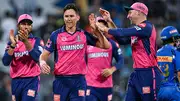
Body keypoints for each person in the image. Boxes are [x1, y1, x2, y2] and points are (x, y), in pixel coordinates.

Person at [39, 3, 110, 101]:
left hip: (78, 81)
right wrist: (42, 63)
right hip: (60, 81)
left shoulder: (84, 35)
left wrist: (97, 30)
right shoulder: (55, 35)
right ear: (63, 18)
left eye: (71, 16)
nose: (68, 19)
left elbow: (106, 46)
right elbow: (43, 55)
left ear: (77, 17)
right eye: (66, 16)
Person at [96, 2, 162, 101]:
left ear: (139, 12)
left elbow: (123, 32)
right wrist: (109, 21)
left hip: (148, 73)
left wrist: (105, 28)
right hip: (136, 73)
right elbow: (121, 39)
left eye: (130, 13)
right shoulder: (137, 32)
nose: (128, 16)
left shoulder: (147, 27)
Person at [2, 14, 44, 101]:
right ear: (18, 26)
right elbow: (5, 62)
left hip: (31, 80)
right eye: (23, 24)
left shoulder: (37, 40)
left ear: (31, 26)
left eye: (28, 24)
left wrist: (26, 42)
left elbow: (37, 58)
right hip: (16, 81)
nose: (26, 26)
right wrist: (13, 45)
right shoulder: (12, 42)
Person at [85, 16, 124, 101]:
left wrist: (111, 70)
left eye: (103, 26)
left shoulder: (112, 44)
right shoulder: (86, 44)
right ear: (93, 27)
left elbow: (121, 60)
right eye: (98, 26)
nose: (100, 29)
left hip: (106, 85)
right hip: (90, 84)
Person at [156, 26, 180, 101]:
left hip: (158, 91)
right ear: (173, 38)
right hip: (173, 90)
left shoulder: (157, 53)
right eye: (176, 37)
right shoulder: (176, 52)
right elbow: (179, 74)